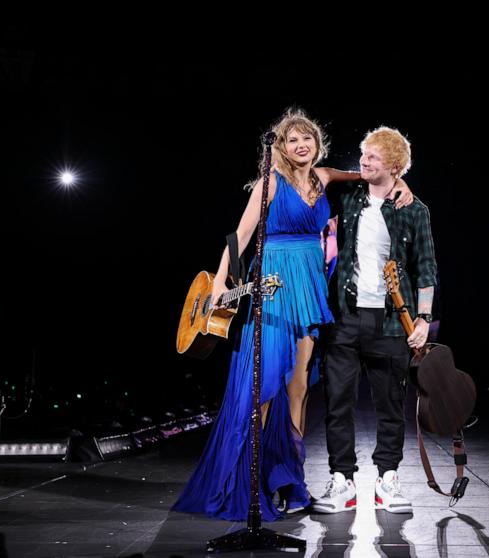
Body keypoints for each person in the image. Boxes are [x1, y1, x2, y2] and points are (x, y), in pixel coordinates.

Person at [173, 109, 414, 521]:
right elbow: (241, 235)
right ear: (281, 148)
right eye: (292, 140)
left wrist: (401, 182)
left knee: (298, 386)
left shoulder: (323, 178)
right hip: (273, 281)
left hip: (309, 285)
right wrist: (217, 286)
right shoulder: (269, 184)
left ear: (317, 143)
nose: (301, 145)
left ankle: (289, 480)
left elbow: (367, 176)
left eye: (307, 139)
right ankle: (249, 480)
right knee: (263, 385)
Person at [312, 126, 437, 515]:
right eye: (363, 154)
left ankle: (388, 479)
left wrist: (423, 319)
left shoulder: (414, 210)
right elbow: (320, 173)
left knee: (390, 403)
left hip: (390, 322)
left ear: (395, 166)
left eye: (373, 158)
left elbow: (426, 268)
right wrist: (383, 177)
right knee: (338, 402)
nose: (364, 161)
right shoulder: (348, 199)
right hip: (345, 316)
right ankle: (342, 480)